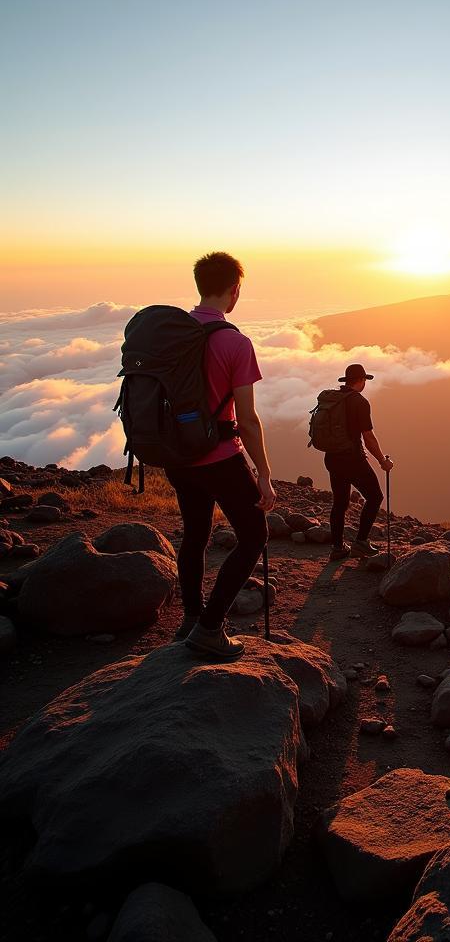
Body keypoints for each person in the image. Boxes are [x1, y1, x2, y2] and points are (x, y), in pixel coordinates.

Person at [165, 252, 275, 660]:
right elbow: (246, 419)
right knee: (254, 535)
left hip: (177, 457)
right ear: (235, 291)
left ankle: (192, 619)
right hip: (219, 457)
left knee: (195, 535)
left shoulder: (171, 335)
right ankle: (211, 628)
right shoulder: (235, 342)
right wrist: (262, 472)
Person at [325, 363, 394, 560]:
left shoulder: (334, 398)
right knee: (375, 497)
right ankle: (361, 543)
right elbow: (368, 437)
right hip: (352, 458)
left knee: (340, 502)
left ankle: (338, 548)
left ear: (347, 380)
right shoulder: (360, 402)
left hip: (332, 457)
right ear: (362, 380)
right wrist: (382, 461)